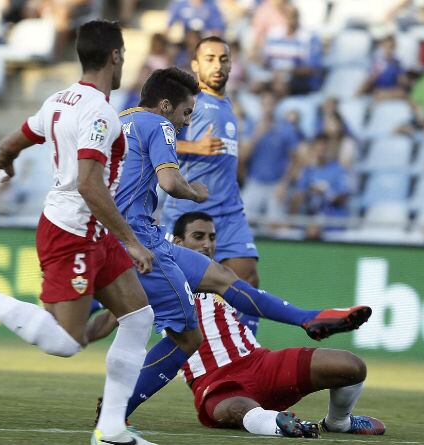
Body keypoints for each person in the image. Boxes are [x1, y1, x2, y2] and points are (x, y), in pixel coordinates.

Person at [0, 20, 157, 445]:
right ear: (115, 57)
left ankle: (111, 431)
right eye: (123, 54)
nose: (124, 60)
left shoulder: (60, 99)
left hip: (92, 231)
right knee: (65, 343)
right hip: (71, 230)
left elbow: (28, 131)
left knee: (138, 316)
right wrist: (131, 240)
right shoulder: (98, 111)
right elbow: (89, 184)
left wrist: (3, 155)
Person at [110, 67, 372, 421]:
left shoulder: (118, 119)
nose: (187, 122)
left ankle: (307, 319)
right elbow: (170, 182)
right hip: (137, 237)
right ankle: (115, 412)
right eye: (187, 113)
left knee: (220, 276)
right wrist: (195, 192)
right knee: (186, 336)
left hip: (125, 234)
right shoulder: (159, 124)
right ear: (166, 104)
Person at [90, 211, 385, 438]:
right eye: (198, 236)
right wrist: (119, 394)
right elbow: (110, 317)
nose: (207, 244)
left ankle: (338, 422)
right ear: (177, 242)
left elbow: (252, 300)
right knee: (239, 409)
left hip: (259, 363)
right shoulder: (154, 280)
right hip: (215, 382)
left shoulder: (221, 278)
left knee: (352, 367)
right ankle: (277, 424)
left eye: (211, 237)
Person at [162, 36, 263, 323]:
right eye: (209, 59)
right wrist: (195, 147)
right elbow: (152, 137)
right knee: (178, 294)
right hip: (190, 213)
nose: (217, 65)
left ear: (232, 65)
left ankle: (242, 359)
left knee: (247, 281)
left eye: (223, 59)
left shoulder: (228, 104)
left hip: (229, 213)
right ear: (195, 65)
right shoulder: (188, 103)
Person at [239, 89, 301, 220]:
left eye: (271, 104)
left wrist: (284, 184)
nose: (268, 108)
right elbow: (243, 157)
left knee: (276, 225)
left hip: (277, 184)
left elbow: (294, 160)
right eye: (265, 104)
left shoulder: (286, 128)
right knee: (241, 220)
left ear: (276, 105)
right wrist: (257, 135)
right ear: (261, 105)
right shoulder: (252, 126)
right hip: (255, 182)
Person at [358, 35, 407, 101]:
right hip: (379, 89)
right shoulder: (378, 62)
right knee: (369, 86)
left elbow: (402, 81)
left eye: (391, 47)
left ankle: (382, 96)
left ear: (395, 47)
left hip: (392, 90)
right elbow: (371, 79)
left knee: (401, 93)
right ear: (381, 46)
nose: (388, 50)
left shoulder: (397, 63)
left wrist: (402, 78)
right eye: (386, 47)